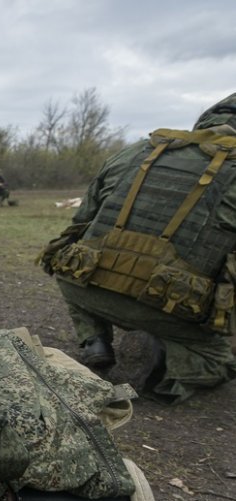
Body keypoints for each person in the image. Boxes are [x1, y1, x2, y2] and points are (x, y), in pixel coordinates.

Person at [38, 92, 236, 404]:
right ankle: (170, 375)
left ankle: (94, 341)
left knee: (73, 267)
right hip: (167, 307)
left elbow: (79, 225)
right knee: (220, 360)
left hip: (84, 288)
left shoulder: (140, 151)